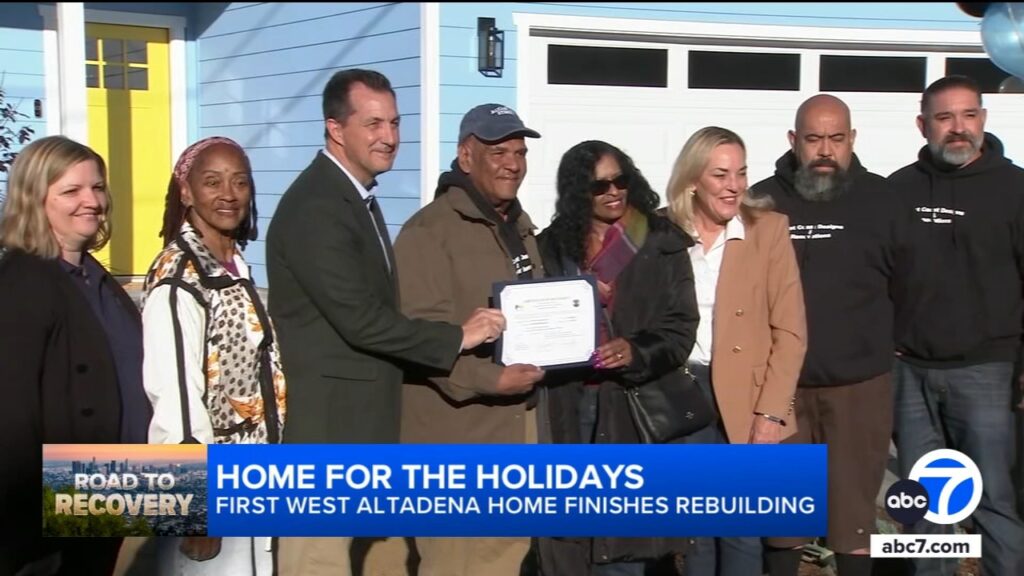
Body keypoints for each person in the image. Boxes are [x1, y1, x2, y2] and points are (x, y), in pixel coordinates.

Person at [265, 69, 505, 576]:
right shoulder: (317, 206)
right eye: (373, 124)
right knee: (318, 564)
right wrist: (457, 336)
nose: (390, 137)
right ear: (335, 128)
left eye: (394, 123)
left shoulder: (354, 197)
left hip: (360, 430)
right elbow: (362, 321)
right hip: (327, 434)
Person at [392, 103, 547, 576]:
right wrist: (491, 380)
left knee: (508, 559)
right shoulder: (429, 232)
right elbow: (419, 338)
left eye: (520, 153)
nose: (513, 164)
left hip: (515, 433)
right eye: (499, 152)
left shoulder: (519, 227)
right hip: (456, 441)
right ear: (465, 156)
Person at [750, 95, 899, 576]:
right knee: (782, 520)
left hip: (859, 385)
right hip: (781, 389)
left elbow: (913, 282)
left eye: (836, 138)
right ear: (794, 141)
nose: (825, 151)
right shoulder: (760, 201)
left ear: (852, 140)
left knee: (852, 522)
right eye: (814, 139)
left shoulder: (883, 200)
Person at [535, 140, 699, 576]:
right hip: (569, 403)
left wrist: (636, 349)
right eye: (599, 186)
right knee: (573, 536)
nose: (613, 192)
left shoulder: (662, 242)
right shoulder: (551, 247)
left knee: (627, 542)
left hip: (634, 407)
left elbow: (681, 328)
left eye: (620, 180)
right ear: (578, 192)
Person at [889, 74, 1024, 576]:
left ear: (983, 119)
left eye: (969, 115)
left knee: (994, 498)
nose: (958, 127)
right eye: (944, 117)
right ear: (923, 125)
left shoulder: (1015, 189)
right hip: (910, 372)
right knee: (924, 507)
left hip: (987, 370)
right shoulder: (898, 190)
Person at [141, 136, 285, 575]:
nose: (228, 194)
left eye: (240, 182)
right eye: (212, 182)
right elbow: (175, 396)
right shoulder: (179, 277)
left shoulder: (232, 266)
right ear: (186, 192)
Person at [667, 126, 807, 576]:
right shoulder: (663, 231)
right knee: (695, 527)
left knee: (740, 527)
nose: (734, 186)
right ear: (693, 180)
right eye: (721, 174)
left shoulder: (768, 230)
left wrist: (771, 415)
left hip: (747, 397)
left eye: (741, 173)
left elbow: (791, 331)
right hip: (682, 393)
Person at [0, 135, 139, 574]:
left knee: (265, 497)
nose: (92, 201)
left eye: (97, 187)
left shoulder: (94, 276)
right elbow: (12, 419)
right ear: (34, 199)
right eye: (71, 190)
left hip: (127, 482)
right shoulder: (23, 282)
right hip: (68, 498)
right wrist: (30, 538)